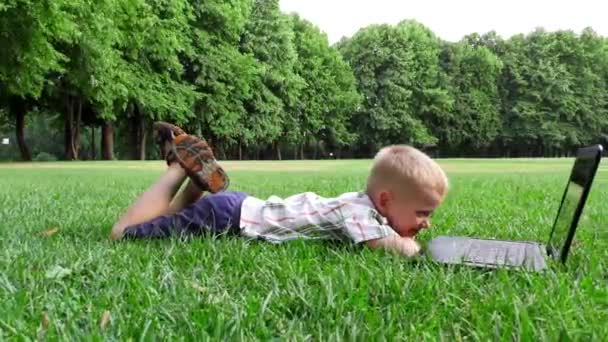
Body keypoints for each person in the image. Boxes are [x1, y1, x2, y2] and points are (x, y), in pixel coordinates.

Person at [109, 123, 449, 257]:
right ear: (386, 200)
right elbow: (393, 248)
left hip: (237, 209)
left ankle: (196, 184)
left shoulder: (363, 205)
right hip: (229, 218)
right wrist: (416, 248)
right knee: (123, 234)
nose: (426, 223)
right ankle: (175, 168)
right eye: (423, 212)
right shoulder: (360, 214)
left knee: (175, 221)